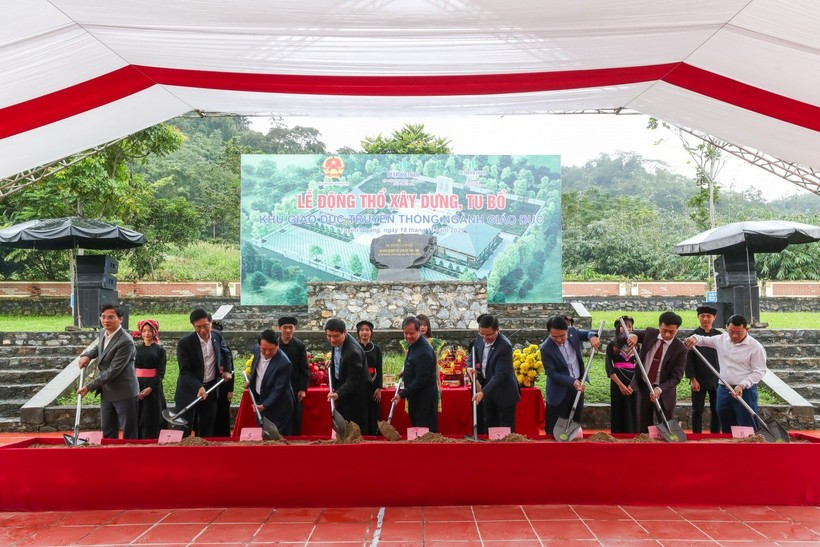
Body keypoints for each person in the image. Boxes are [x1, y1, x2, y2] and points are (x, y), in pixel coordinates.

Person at [684, 314, 767, 432]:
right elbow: (702, 339)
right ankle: (729, 447)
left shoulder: (755, 347)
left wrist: (742, 384)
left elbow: (759, 371)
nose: (734, 335)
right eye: (731, 331)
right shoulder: (721, 339)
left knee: (746, 424)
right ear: (727, 328)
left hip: (744, 391)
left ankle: (749, 448)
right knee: (725, 421)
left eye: (739, 333)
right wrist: (694, 339)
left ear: (746, 330)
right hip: (724, 389)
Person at [77, 304, 139, 439]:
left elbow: (113, 371)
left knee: (129, 433)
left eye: (111, 317)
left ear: (120, 319)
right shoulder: (103, 333)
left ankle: (130, 458)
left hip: (124, 393)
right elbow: (99, 349)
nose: (106, 320)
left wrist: (89, 386)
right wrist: (87, 355)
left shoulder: (126, 341)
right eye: (103, 317)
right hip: (107, 392)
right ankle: (111, 457)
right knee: (108, 431)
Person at [626, 311, 687, 433]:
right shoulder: (650, 333)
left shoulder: (680, 349)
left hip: (664, 392)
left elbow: (676, 377)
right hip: (644, 386)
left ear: (677, 330)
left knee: (665, 426)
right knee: (643, 425)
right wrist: (633, 336)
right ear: (659, 326)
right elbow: (624, 337)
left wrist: (659, 389)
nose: (668, 335)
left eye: (672, 332)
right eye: (664, 330)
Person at [175, 309, 233, 437]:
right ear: (193, 326)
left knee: (207, 427)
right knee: (184, 427)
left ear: (211, 323)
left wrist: (227, 370)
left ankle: (204, 453)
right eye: (198, 327)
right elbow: (185, 371)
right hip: (189, 389)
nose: (202, 330)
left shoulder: (217, 337)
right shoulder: (185, 344)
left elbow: (226, 353)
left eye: (205, 326)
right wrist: (198, 386)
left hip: (210, 388)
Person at [540, 315, 601, 437]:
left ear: (567, 330)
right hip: (559, 391)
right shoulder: (546, 348)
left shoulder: (573, 332)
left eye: (562, 336)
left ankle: (573, 449)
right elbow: (551, 373)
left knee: (574, 420)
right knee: (556, 427)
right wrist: (571, 381)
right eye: (554, 337)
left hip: (577, 387)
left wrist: (593, 337)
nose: (558, 340)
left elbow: (588, 333)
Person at [466, 314, 520, 431]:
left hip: (503, 392)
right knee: (489, 426)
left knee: (504, 430)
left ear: (497, 330)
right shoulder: (480, 338)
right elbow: (472, 356)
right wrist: (469, 368)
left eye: (489, 335)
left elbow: (500, 375)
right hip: (488, 390)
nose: (485, 338)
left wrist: (483, 392)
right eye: (482, 334)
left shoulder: (504, 346)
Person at [393, 316, 439, 432]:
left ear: (419, 331)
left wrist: (402, 394)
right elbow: (414, 364)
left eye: (411, 333)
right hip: (415, 397)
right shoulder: (414, 345)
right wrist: (407, 371)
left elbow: (421, 379)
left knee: (425, 433)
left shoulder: (424, 351)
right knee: (417, 430)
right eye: (406, 333)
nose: (408, 336)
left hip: (424, 399)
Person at [325, 317, 369, 430]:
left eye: (335, 336)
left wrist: (339, 393)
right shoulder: (338, 343)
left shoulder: (353, 352)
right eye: (329, 336)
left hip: (355, 395)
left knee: (353, 428)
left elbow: (353, 379)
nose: (332, 340)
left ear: (345, 332)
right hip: (343, 389)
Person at [248, 329, 294, 435]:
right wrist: (251, 382)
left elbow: (278, 389)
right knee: (262, 434)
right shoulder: (257, 350)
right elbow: (256, 370)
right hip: (261, 399)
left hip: (279, 406)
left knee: (277, 438)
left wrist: (265, 405)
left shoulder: (284, 363)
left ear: (277, 346)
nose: (267, 353)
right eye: (264, 349)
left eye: (271, 349)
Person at [685, 305, 722, 433]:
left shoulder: (720, 336)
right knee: (697, 410)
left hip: (717, 379)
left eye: (708, 316)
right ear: (698, 317)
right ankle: (696, 436)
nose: (705, 319)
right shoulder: (692, 337)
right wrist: (692, 379)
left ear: (714, 318)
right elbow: (688, 359)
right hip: (698, 379)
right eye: (702, 316)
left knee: (717, 409)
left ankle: (716, 435)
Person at [604, 316, 638, 433]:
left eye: (629, 326)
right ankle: (618, 435)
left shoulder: (637, 345)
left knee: (633, 408)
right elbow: (609, 367)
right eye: (623, 327)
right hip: (617, 380)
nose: (627, 329)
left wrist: (633, 385)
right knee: (619, 408)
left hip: (633, 380)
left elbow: (640, 366)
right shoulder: (612, 345)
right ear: (618, 329)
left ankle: (632, 434)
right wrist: (620, 385)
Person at [133, 319, 166, 439]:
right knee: (138, 414)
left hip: (153, 387)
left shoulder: (160, 350)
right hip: (137, 384)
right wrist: (135, 387)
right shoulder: (135, 349)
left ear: (154, 332)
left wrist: (150, 388)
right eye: (144, 331)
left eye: (149, 331)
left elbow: (161, 373)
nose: (147, 333)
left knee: (152, 414)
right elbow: (131, 369)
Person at [277, 316, 309, 435]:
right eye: (285, 328)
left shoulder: (299, 346)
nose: (288, 331)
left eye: (291, 328)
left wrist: (302, 388)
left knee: (295, 416)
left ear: (294, 328)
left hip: (294, 386)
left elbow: (304, 369)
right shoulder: (275, 344)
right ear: (279, 328)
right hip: (277, 386)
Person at [356, 320, 383, 436]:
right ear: (358, 332)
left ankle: (373, 433)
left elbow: (380, 368)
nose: (364, 332)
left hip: (373, 383)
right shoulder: (354, 347)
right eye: (362, 330)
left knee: (373, 410)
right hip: (358, 383)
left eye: (367, 330)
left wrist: (379, 387)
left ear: (371, 332)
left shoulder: (376, 349)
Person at [211, 320, 235, 437]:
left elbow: (231, 370)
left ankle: (223, 435)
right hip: (211, 382)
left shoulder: (226, 348)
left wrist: (231, 389)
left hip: (224, 383)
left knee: (223, 410)